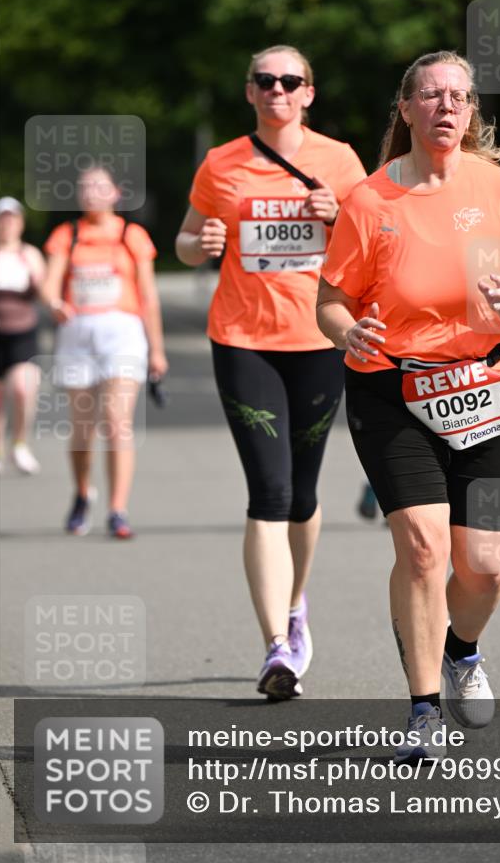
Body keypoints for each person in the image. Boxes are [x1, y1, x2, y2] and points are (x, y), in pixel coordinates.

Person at [317, 50, 500, 760]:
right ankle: (422, 709)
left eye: (459, 96)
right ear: (406, 108)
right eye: (430, 95)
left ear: (472, 111)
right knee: (422, 550)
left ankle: (462, 653)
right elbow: (330, 300)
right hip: (392, 388)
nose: (446, 107)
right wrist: (346, 329)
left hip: (488, 387)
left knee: (483, 564)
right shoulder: (370, 201)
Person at [176, 44, 366, 700]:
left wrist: (337, 216)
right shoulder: (221, 163)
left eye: (290, 81)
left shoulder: (339, 161)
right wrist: (196, 246)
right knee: (269, 492)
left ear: (308, 92)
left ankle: (293, 604)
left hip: (318, 338)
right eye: (265, 80)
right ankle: (276, 648)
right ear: (250, 91)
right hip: (242, 339)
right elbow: (185, 237)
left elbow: (371, 246)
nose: (278, 89)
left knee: (304, 496)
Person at [42, 166, 168, 539]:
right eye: (84, 188)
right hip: (78, 332)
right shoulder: (68, 235)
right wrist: (53, 303)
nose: (91, 193)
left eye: (99, 186)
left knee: (117, 421)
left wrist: (157, 350)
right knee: (82, 430)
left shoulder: (133, 236)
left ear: (116, 192)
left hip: (122, 333)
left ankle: (117, 508)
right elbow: (50, 285)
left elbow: (149, 296)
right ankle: (82, 494)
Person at [0, 196, 45, 475]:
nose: (7, 225)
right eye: (2, 219)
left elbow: (44, 291)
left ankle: (20, 443)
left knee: (23, 388)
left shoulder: (29, 255)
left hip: (22, 333)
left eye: (12, 219)